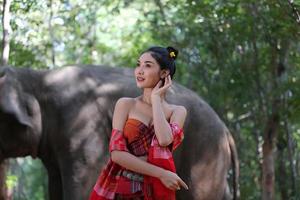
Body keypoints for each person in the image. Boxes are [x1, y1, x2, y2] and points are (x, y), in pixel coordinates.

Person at [89, 46, 188, 200]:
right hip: (125, 188)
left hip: (157, 190)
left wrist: (156, 99)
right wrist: (162, 173)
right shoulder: (126, 104)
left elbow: (164, 139)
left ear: (164, 73)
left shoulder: (178, 111)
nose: (139, 71)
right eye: (138, 64)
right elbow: (117, 154)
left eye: (147, 65)